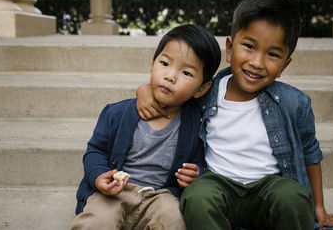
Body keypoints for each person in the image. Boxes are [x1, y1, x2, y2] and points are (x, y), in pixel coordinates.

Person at [136, 0, 333, 230]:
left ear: (284, 65)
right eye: (249, 46)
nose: (257, 62)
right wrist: (144, 90)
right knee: (197, 196)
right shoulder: (206, 91)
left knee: (293, 195)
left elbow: (310, 153)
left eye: (273, 54)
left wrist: (318, 206)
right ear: (229, 48)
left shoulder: (293, 102)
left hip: (269, 189)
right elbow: (174, 92)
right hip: (217, 186)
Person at [72, 24, 221, 230]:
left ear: (202, 88)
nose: (170, 76)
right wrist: (98, 176)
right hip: (116, 191)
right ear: (152, 65)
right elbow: (95, 151)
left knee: (174, 220)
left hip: (160, 196)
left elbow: (199, 159)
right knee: (96, 222)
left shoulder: (196, 122)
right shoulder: (117, 113)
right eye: (165, 63)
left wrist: (197, 172)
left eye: (186, 72)